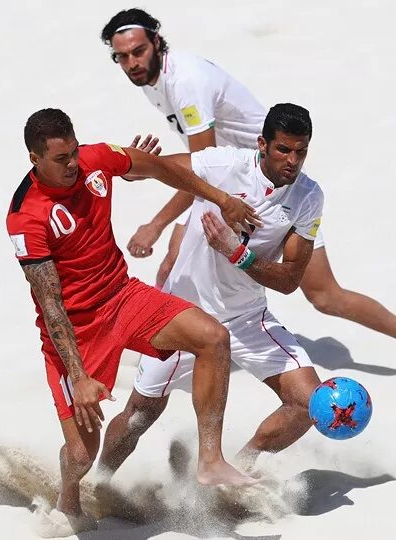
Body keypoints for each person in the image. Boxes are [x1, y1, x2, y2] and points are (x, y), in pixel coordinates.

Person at [99, 8, 396, 385]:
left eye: (138, 51)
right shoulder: (157, 81)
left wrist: (155, 224)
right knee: (175, 263)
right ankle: (159, 348)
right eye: (121, 56)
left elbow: (197, 175)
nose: (131, 62)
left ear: (156, 42)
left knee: (323, 296)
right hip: (240, 185)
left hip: (270, 186)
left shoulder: (185, 82)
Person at [5, 109, 259, 526]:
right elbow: (51, 307)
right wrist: (79, 376)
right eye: (60, 159)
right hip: (75, 331)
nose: (72, 165)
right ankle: (69, 499)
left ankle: (210, 458)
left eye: (74, 152)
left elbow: (161, 168)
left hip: (123, 296)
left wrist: (223, 199)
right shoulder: (26, 216)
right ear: (34, 159)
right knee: (82, 454)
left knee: (212, 337)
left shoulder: (96, 159)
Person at [99, 103, 331, 477]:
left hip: (246, 315)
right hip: (183, 314)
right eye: (283, 149)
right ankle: (100, 482)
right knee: (140, 415)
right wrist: (131, 170)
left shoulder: (308, 197)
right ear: (262, 144)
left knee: (309, 404)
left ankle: (239, 469)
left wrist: (238, 254)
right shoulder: (226, 164)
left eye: (301, 151)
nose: (293, 160)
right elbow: (163, 169)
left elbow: (289, 281)